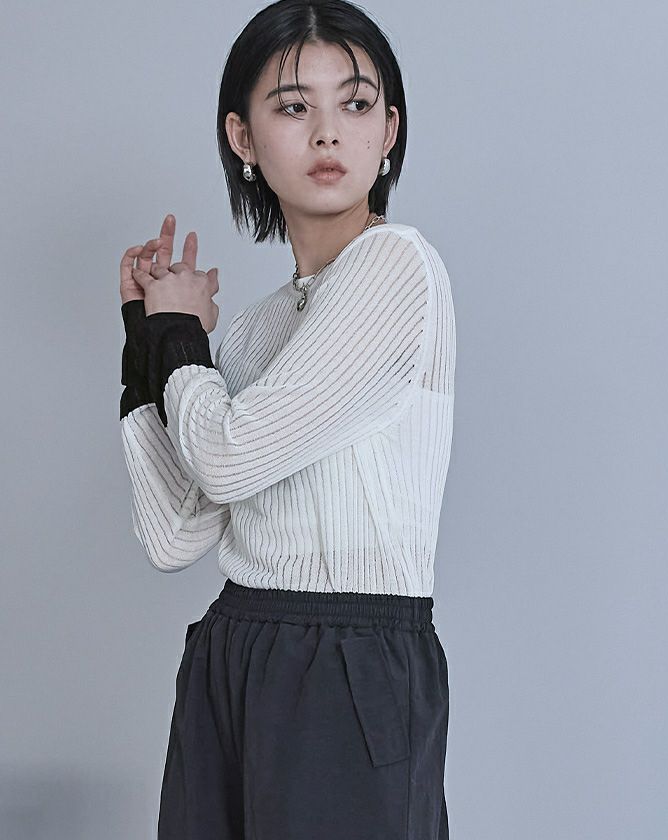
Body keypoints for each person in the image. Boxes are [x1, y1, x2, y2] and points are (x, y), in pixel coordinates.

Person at [117, 1, 456, 837]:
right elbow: (176, 534)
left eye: (356, 103)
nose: (328, 132)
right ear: (243, 137)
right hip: (236, 647)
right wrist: (148, 346)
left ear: (389, 130)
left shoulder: (396, 265)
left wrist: (181, 336)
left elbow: (227, 458)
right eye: (294, 106)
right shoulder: (260, 325)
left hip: (349, 660)